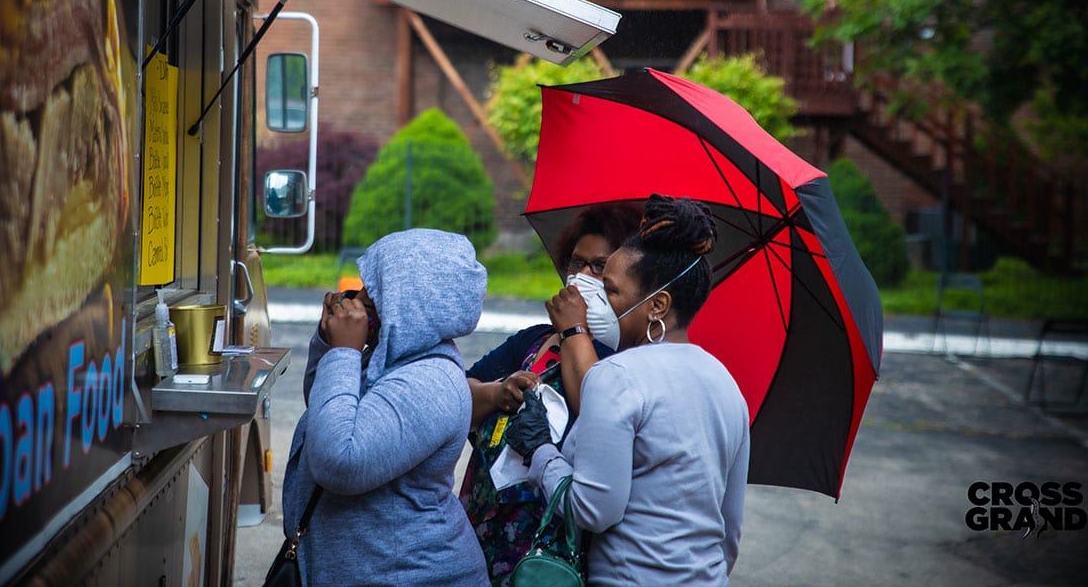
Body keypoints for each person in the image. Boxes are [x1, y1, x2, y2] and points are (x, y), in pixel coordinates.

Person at [507, 194, 751, 587]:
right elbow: (730, 525)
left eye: (611, 291)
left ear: (658, 305)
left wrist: (539, 451)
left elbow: (590, 510)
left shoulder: (616, 376)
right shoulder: (725, 381)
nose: (595, 300)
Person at [281, 228, 489, 587]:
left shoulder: (431, 382)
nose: (359, 301)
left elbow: (339, 461)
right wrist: (328, 345)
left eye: (373, 296)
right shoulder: (388, 357)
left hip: (410, 575)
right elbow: (325, 412)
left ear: (412, 309)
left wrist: (345, 352)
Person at [459, 203, 641, 586]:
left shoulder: (624, 360)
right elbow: (457, 395)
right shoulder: (535, 339)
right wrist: (498, 393)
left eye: (599, 268)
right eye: (577, 263)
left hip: (543, 551)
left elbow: (595, 412)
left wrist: (576, 332)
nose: (582, 277)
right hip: (478, 528)